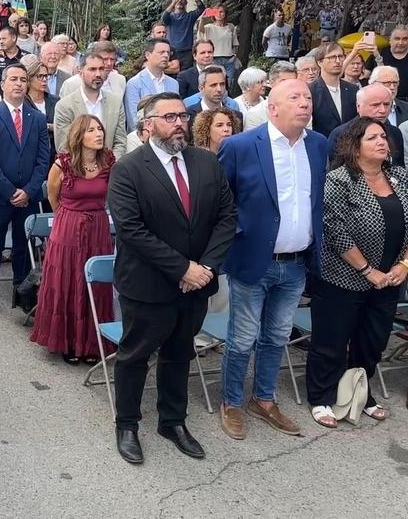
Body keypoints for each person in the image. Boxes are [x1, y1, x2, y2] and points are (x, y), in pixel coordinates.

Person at [107, 92, 236, 465]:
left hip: (197, 284)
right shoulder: (128, 169)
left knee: (180, 353)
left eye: (183, 116)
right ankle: (127, 424)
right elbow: (132, 230)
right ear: (148, 125)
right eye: (170, 117)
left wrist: (205, 268)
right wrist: (183, 269)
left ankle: (173, 421)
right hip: (148, 285)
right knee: (135, 356)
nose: (180, 123)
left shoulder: (205, 162)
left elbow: (226, 217)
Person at [215, 79, 329, 439]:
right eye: (295, 97)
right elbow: (221, 202)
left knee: (277, 336)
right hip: (254, 260)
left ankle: (263, 399)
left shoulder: (318, 145)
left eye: (307, 97)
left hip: (296, 263)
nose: (304, 103)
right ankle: (232, 402)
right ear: (273, 108)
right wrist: (238, 237)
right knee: (243, 337)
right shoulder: (240, 146)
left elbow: (316, 200)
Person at [306, 117, 408, 427]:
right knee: (331, 342)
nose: (382, 142)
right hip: (342, 279)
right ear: (355, 145)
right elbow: (335, 231)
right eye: (372, 138)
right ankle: (321, 396)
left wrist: (404, 265)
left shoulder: (398, 176)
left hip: (389, 280)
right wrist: (368, 270)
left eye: (383, 137)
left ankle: (360, 393)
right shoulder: (339, 180)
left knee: (372, 342)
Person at [30, 114, 117, 363]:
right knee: (68, 281)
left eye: (100, 129)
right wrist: (67, 218)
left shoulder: (109, 160)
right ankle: (68, 341)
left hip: (98, 227)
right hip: (68, 226)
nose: (98, 134)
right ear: (79, 136)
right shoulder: (63, 164)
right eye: (91, 130)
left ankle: (92, 342)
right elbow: (53, 195)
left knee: (96, 283)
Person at [0, 64, 51, 318]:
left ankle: (23, 291)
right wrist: (10, 191)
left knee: (23, 246)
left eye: (23, 79)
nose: (19, 83)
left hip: (28, 197)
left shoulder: (37, 119)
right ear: (3, 84)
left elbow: (43, 159)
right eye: (13, 79)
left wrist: (28, 191)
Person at [54, 48, 127, 155]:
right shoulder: (65, 106)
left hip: (110, 163)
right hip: (77, 164)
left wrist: (110, 163)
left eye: (101, 69)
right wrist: (89, 164)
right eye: (92, 69)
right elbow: (63, 146)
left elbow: (120, 142)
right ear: (80, 72)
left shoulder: (115, 103)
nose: (98, 74)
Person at [326, 84, 406, 167]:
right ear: (358, 107)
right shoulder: (341, 134)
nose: (383, 110)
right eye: (375, 105)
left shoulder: (395, 133)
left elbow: (399, 167)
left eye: (386, 104)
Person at [123, 38, 180, 131]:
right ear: (148, 55)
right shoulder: (134, 84)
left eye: (168, 53)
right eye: (161, 52)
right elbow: (133, 121)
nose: (166, 56)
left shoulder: (174, 84)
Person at [309, 41, 359, 136]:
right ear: (320, 62)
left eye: (340, 56)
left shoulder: (353, 90)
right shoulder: (311, 91)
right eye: (332, 57)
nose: (338, 61)